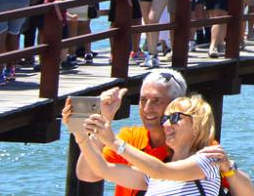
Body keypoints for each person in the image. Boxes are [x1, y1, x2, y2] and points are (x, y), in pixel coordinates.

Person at [72, 86, 252, 196]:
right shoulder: (152, 176)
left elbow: (161, 170)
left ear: (197, 123)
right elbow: (100, 169)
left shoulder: (207, 159)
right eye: (165, 119)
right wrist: (80, 135)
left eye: (174, 118)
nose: (165, 124)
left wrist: (113, 141)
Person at [71, 67, 189, 196]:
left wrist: (113, 141)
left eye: (157, 101)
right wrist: (104, 118)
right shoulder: (131, 137)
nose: (147, 108)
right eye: (143, 100)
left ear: (177, 105)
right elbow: (87, 174)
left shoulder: (197, 148)